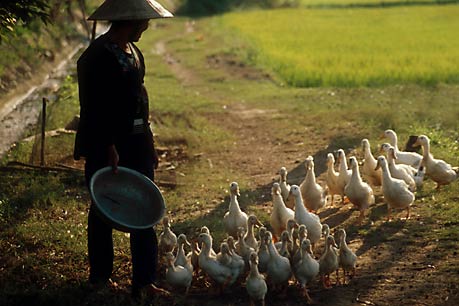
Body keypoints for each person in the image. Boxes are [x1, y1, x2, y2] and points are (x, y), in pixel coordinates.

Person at [73, 0, 173, 299]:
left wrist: (149, 143)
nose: (147, 25)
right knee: (103, 208)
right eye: (144, 21)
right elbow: (93, 107)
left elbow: (140, 98)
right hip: (108, 143)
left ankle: (144, 281)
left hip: (137, 140)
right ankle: (100, 277)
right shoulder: (96, 57)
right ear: (129, 20)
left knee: (146, 205)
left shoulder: (134, 51)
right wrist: (107, 145)